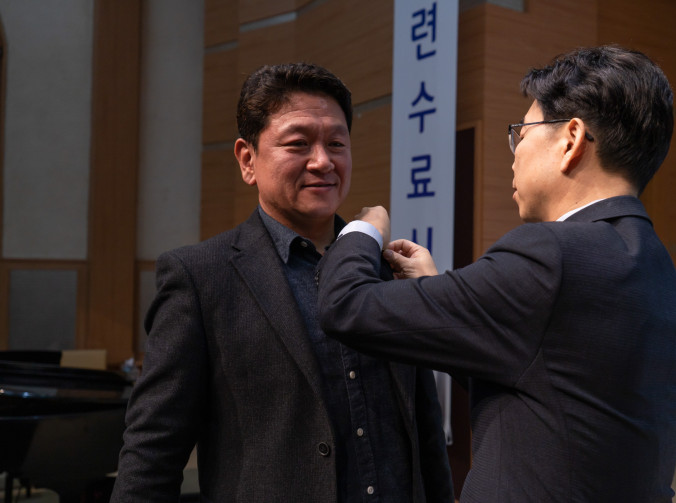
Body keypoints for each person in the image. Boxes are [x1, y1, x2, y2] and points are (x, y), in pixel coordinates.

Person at [317, 46, 676, 502]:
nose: (513, 155)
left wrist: (364, 229)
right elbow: (549, 387)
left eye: (522, 132)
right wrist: (432, 291)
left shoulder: (551, 254)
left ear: (571, 139)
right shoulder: (661, 274)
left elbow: (346, 306)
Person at [110, 62, 453, 502]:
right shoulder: (200, 277)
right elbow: (152, 451)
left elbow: (426, 431)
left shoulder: (389, 268)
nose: (323, 161)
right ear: (247, 159)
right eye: (298, 144)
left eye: (336, 143)